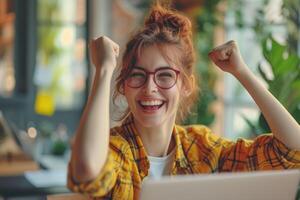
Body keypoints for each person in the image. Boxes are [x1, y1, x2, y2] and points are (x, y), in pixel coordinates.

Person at [67, 3, 300, 200]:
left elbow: (292, 153)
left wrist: (242, 72)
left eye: (165, 75)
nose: (150, 88)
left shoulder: (201, 147)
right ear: (123, 85)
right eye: (137, 75)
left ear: (186, 85)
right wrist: (104, 69)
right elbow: (87, 168)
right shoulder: (117, 149)